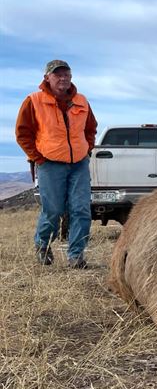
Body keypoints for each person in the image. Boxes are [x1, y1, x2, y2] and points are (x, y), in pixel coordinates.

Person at [15, 59, 98, 268]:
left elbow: (91, 128)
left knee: (81, 209)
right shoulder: (33, 100)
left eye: (67, 75)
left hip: (79, 163)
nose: (63, 78)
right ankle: (42, 244)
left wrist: (86, 149)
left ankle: (76, 256)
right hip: (49, 163)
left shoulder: (82, 100)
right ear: (47, 78)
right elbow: (23, 133)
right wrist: (37, 157)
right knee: (53, 210)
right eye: (58, 74)